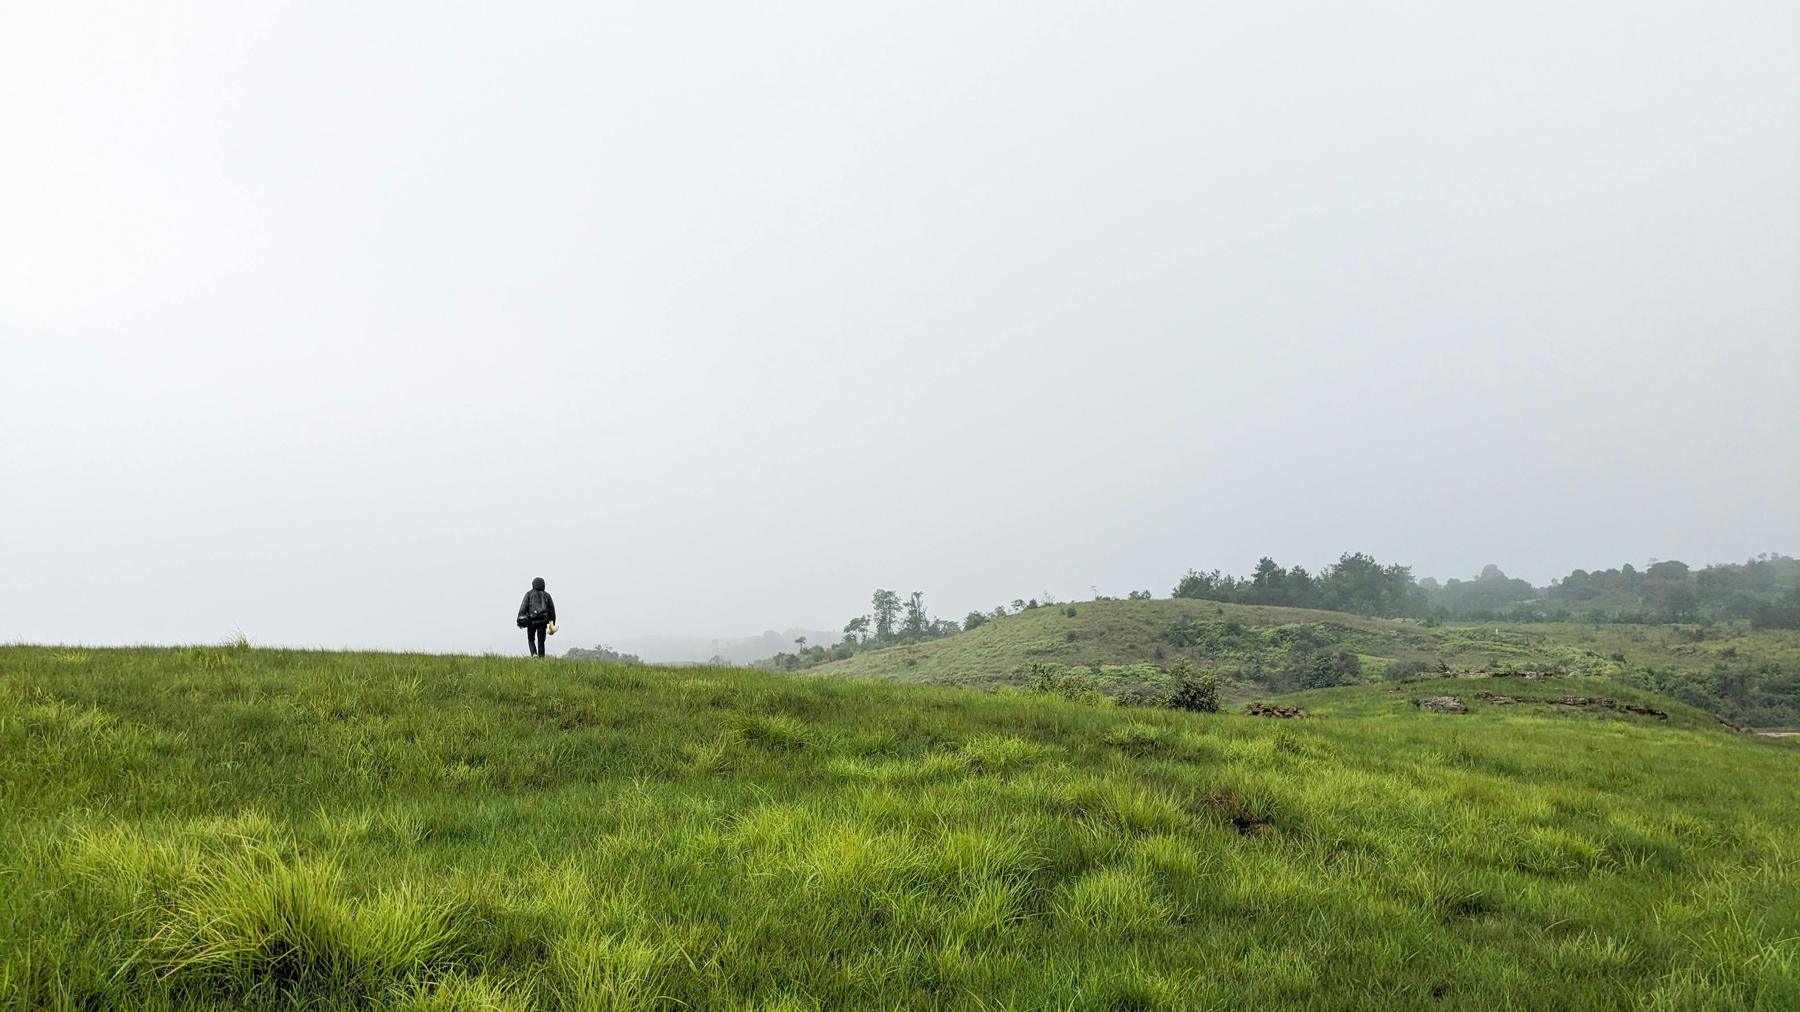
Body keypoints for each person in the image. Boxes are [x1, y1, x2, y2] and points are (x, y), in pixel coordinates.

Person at [516, 577, 557, 657]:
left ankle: (534, 654)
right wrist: (552, 624)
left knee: (531, 639)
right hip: (543, 621)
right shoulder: (547, 595)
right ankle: (541, 657)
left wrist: (519, 618)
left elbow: (523, 607)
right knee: (541, 640)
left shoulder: (529, 594)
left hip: (531, 620)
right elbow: (552, 611)